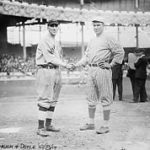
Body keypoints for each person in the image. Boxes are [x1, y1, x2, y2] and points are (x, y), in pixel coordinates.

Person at [72, 16, 124, 134]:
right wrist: (76, 64)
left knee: (105, 97)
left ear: (103, 25)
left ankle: (105, 125)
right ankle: (91, 123)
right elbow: (86, 56)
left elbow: (120, 52)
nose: (96, 27)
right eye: (94, 25)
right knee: (91, 97)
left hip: (102, 69)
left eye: (98, 25)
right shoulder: (92, 40)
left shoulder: (109, 37)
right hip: (91, 69)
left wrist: (111, 64)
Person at [35, 19, 72, 137]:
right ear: (48, 27)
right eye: (52, 26)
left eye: (56, 26)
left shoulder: (56, 42)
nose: (54, 28)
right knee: (44, 99)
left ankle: (48, 125)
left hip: (56, 71)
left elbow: (58, 58)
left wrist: (64, 65)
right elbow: (50, 58)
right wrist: (66, 65)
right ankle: (40, 128)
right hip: (46, 70)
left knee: (54, 99)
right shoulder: (45, 40)